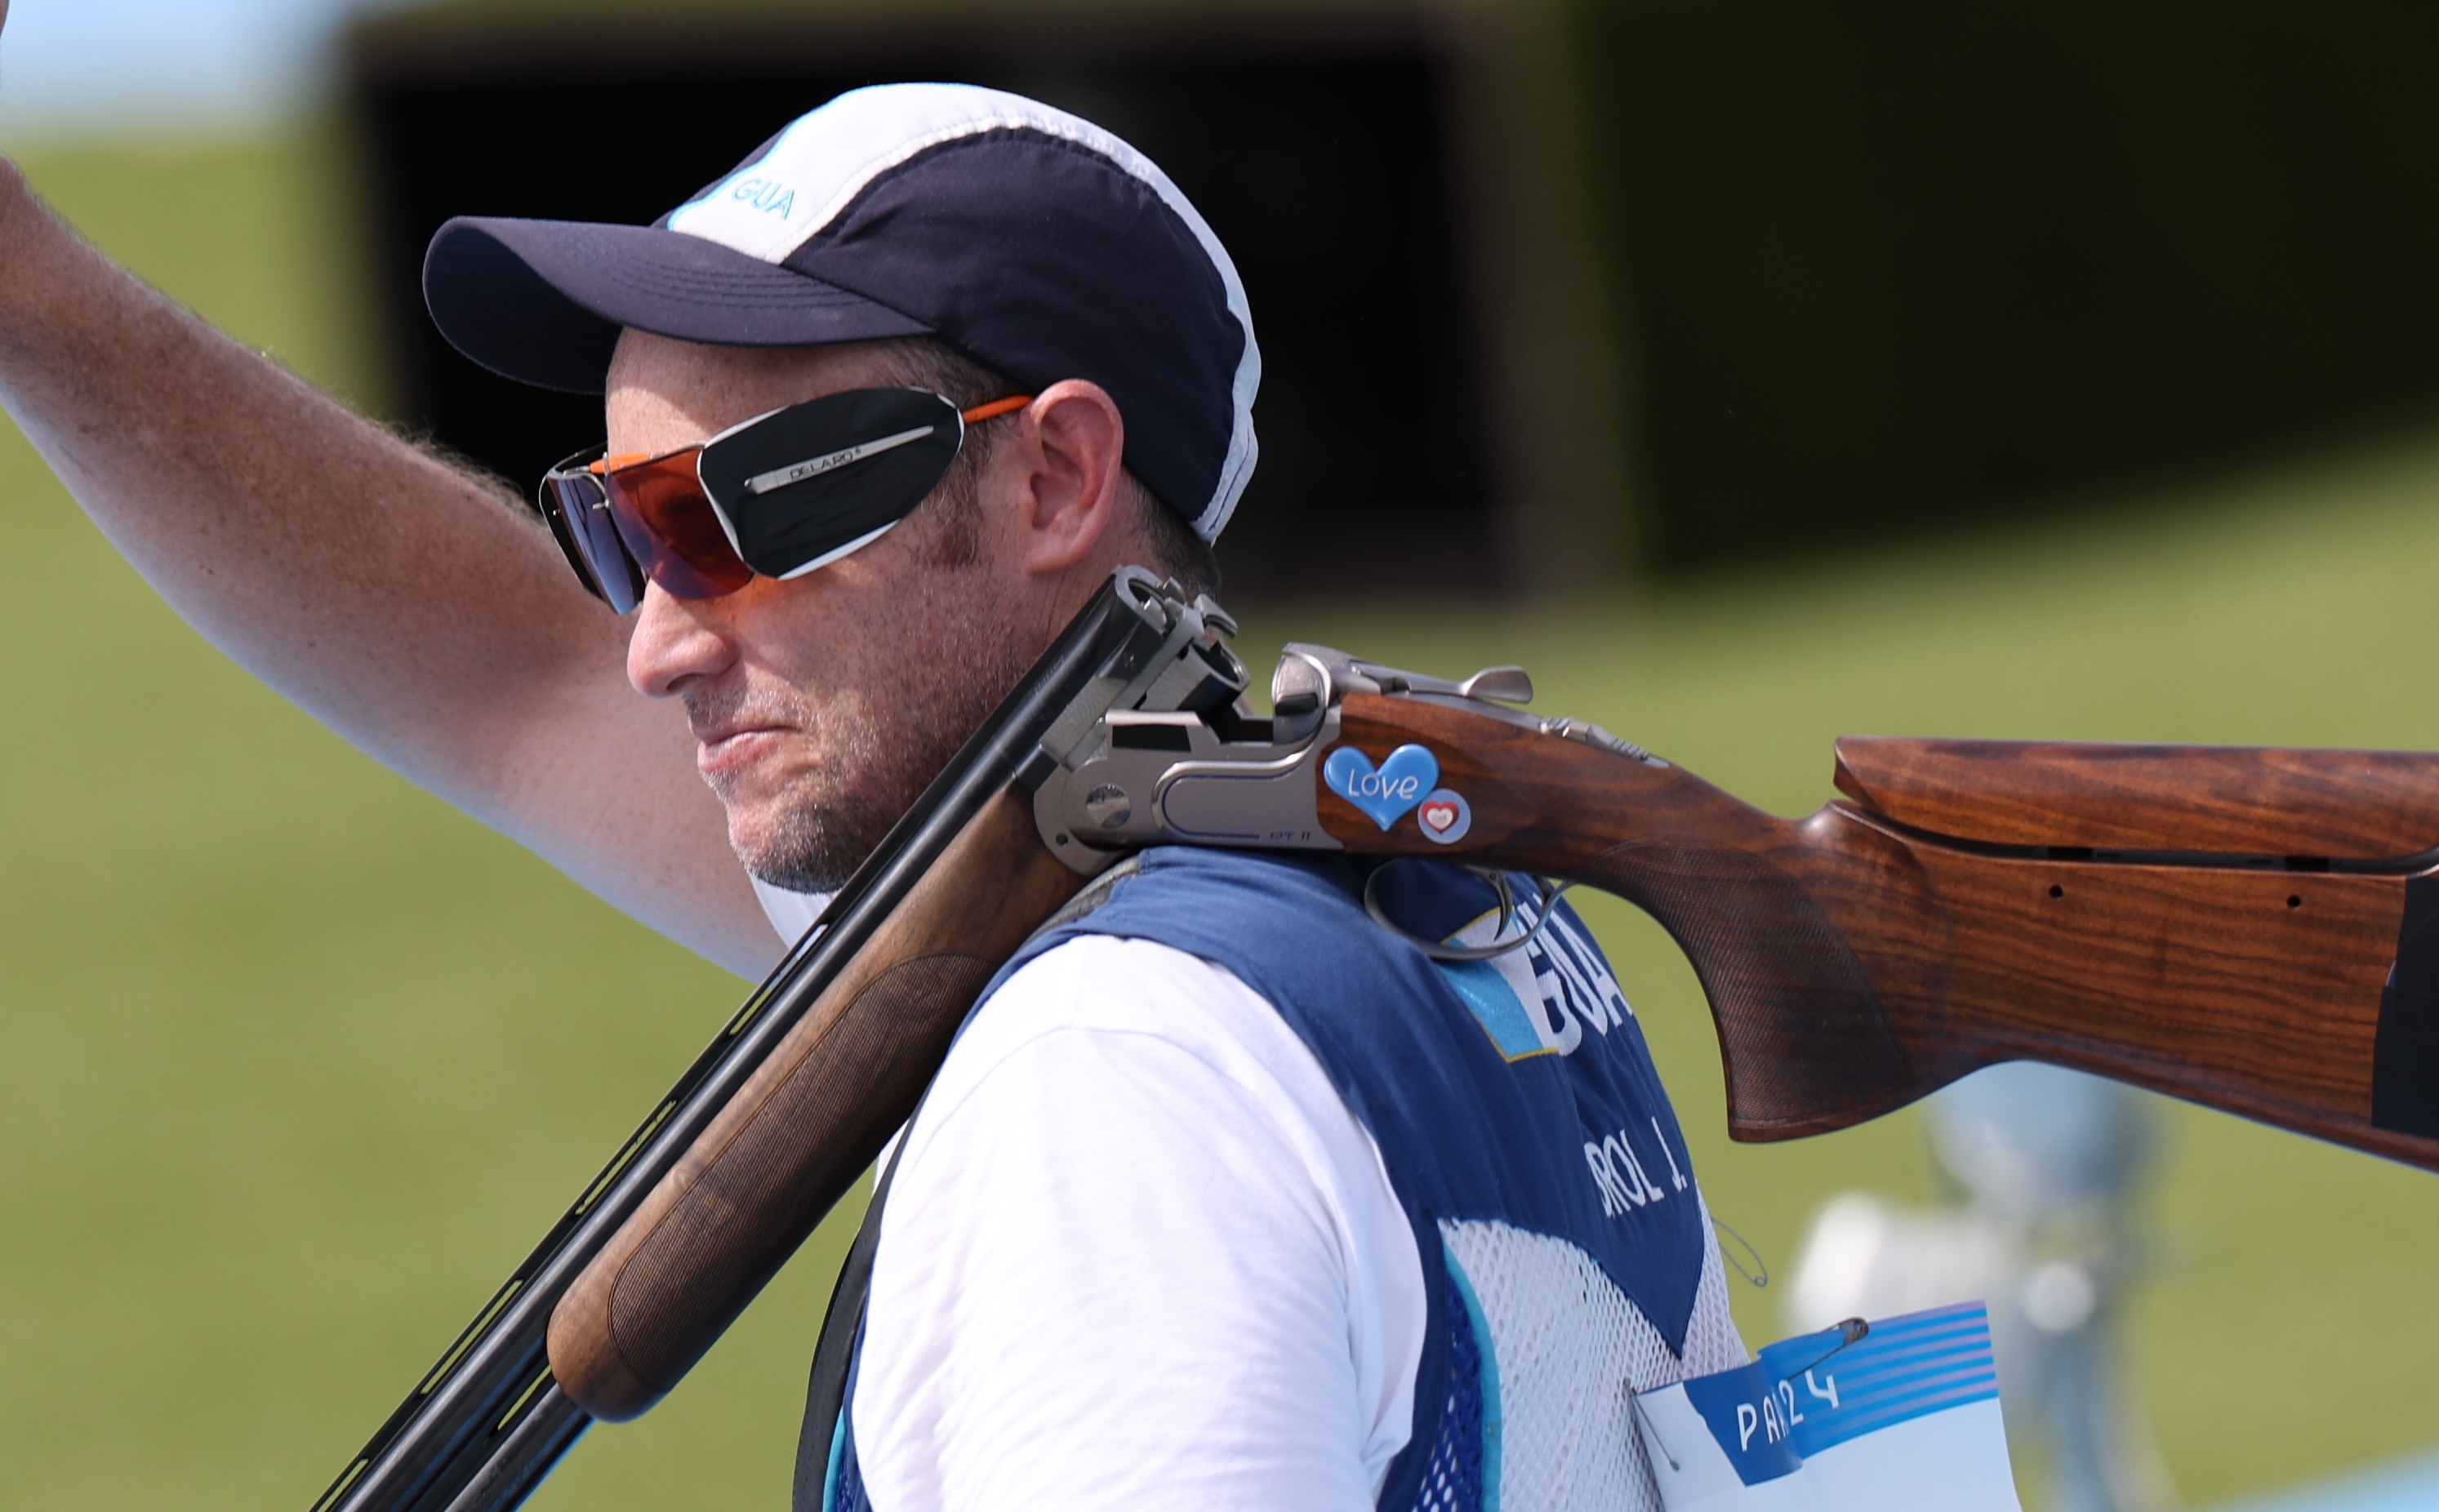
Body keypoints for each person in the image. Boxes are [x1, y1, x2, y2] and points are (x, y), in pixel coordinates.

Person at [0, 64, 1743, 1511]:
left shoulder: (1113, 1068)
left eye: (731, 515)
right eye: (617, 532)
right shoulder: (1403, 905)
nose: (653, 644)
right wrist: (33, 295)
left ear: (1054, 477)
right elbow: (502, 670)